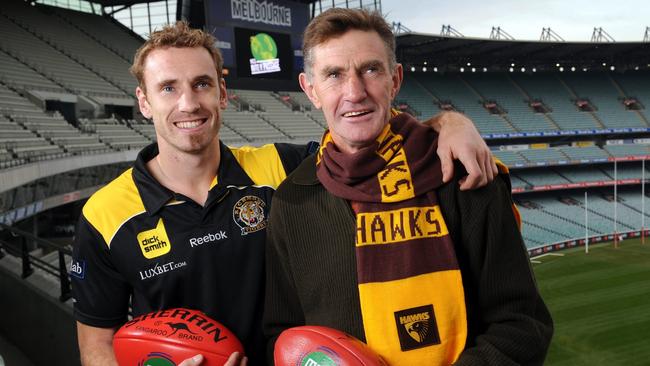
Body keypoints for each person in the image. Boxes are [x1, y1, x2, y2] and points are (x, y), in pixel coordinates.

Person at [71, 21, 497, 366]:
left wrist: (449, 122)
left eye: (201, 84)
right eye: (168, 88)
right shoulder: (105, 214)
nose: (188, 104)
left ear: (222, 92)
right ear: (144, 101)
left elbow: (363, 136)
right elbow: (96, 344)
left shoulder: (281, 166)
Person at [263, 8, 553, 366]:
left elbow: (523, 325)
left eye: (370, 69)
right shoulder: (293, 200)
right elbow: (282, 336)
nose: (354, 92)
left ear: (395, 79)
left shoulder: (461, 174)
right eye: (334, 75)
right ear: (311, 89)